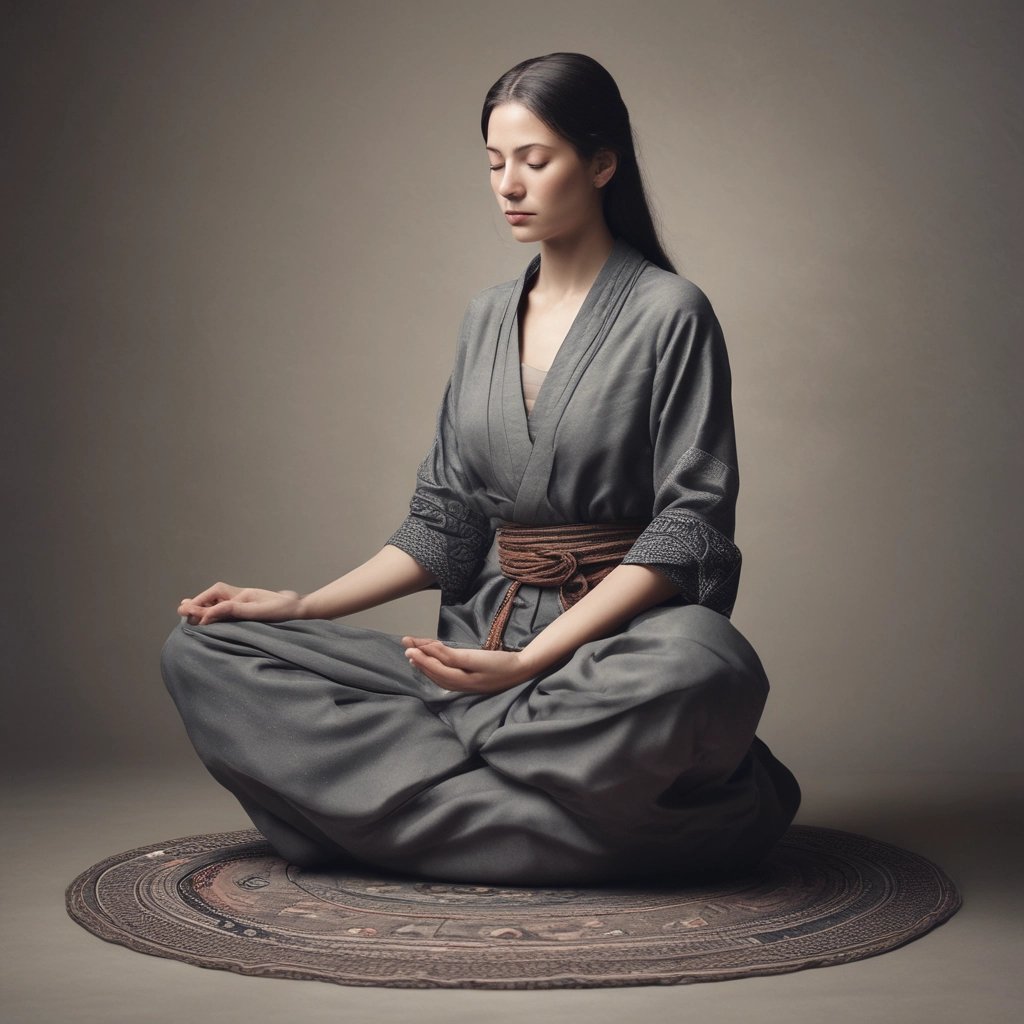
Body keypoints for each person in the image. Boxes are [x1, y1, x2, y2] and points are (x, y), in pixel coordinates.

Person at [161, 52, 801, 886]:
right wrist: (300, 603)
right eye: (496, 164)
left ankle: (396, 812)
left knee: (706, 666)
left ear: (601, 164)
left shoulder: (670, 314)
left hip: (605, 651)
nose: (509, 185)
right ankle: (603, 832)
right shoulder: (485, 319)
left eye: (535, 161)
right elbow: (447, 521)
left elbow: (689, 529)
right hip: (471, 649)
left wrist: (534, 664)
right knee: (203, 651)